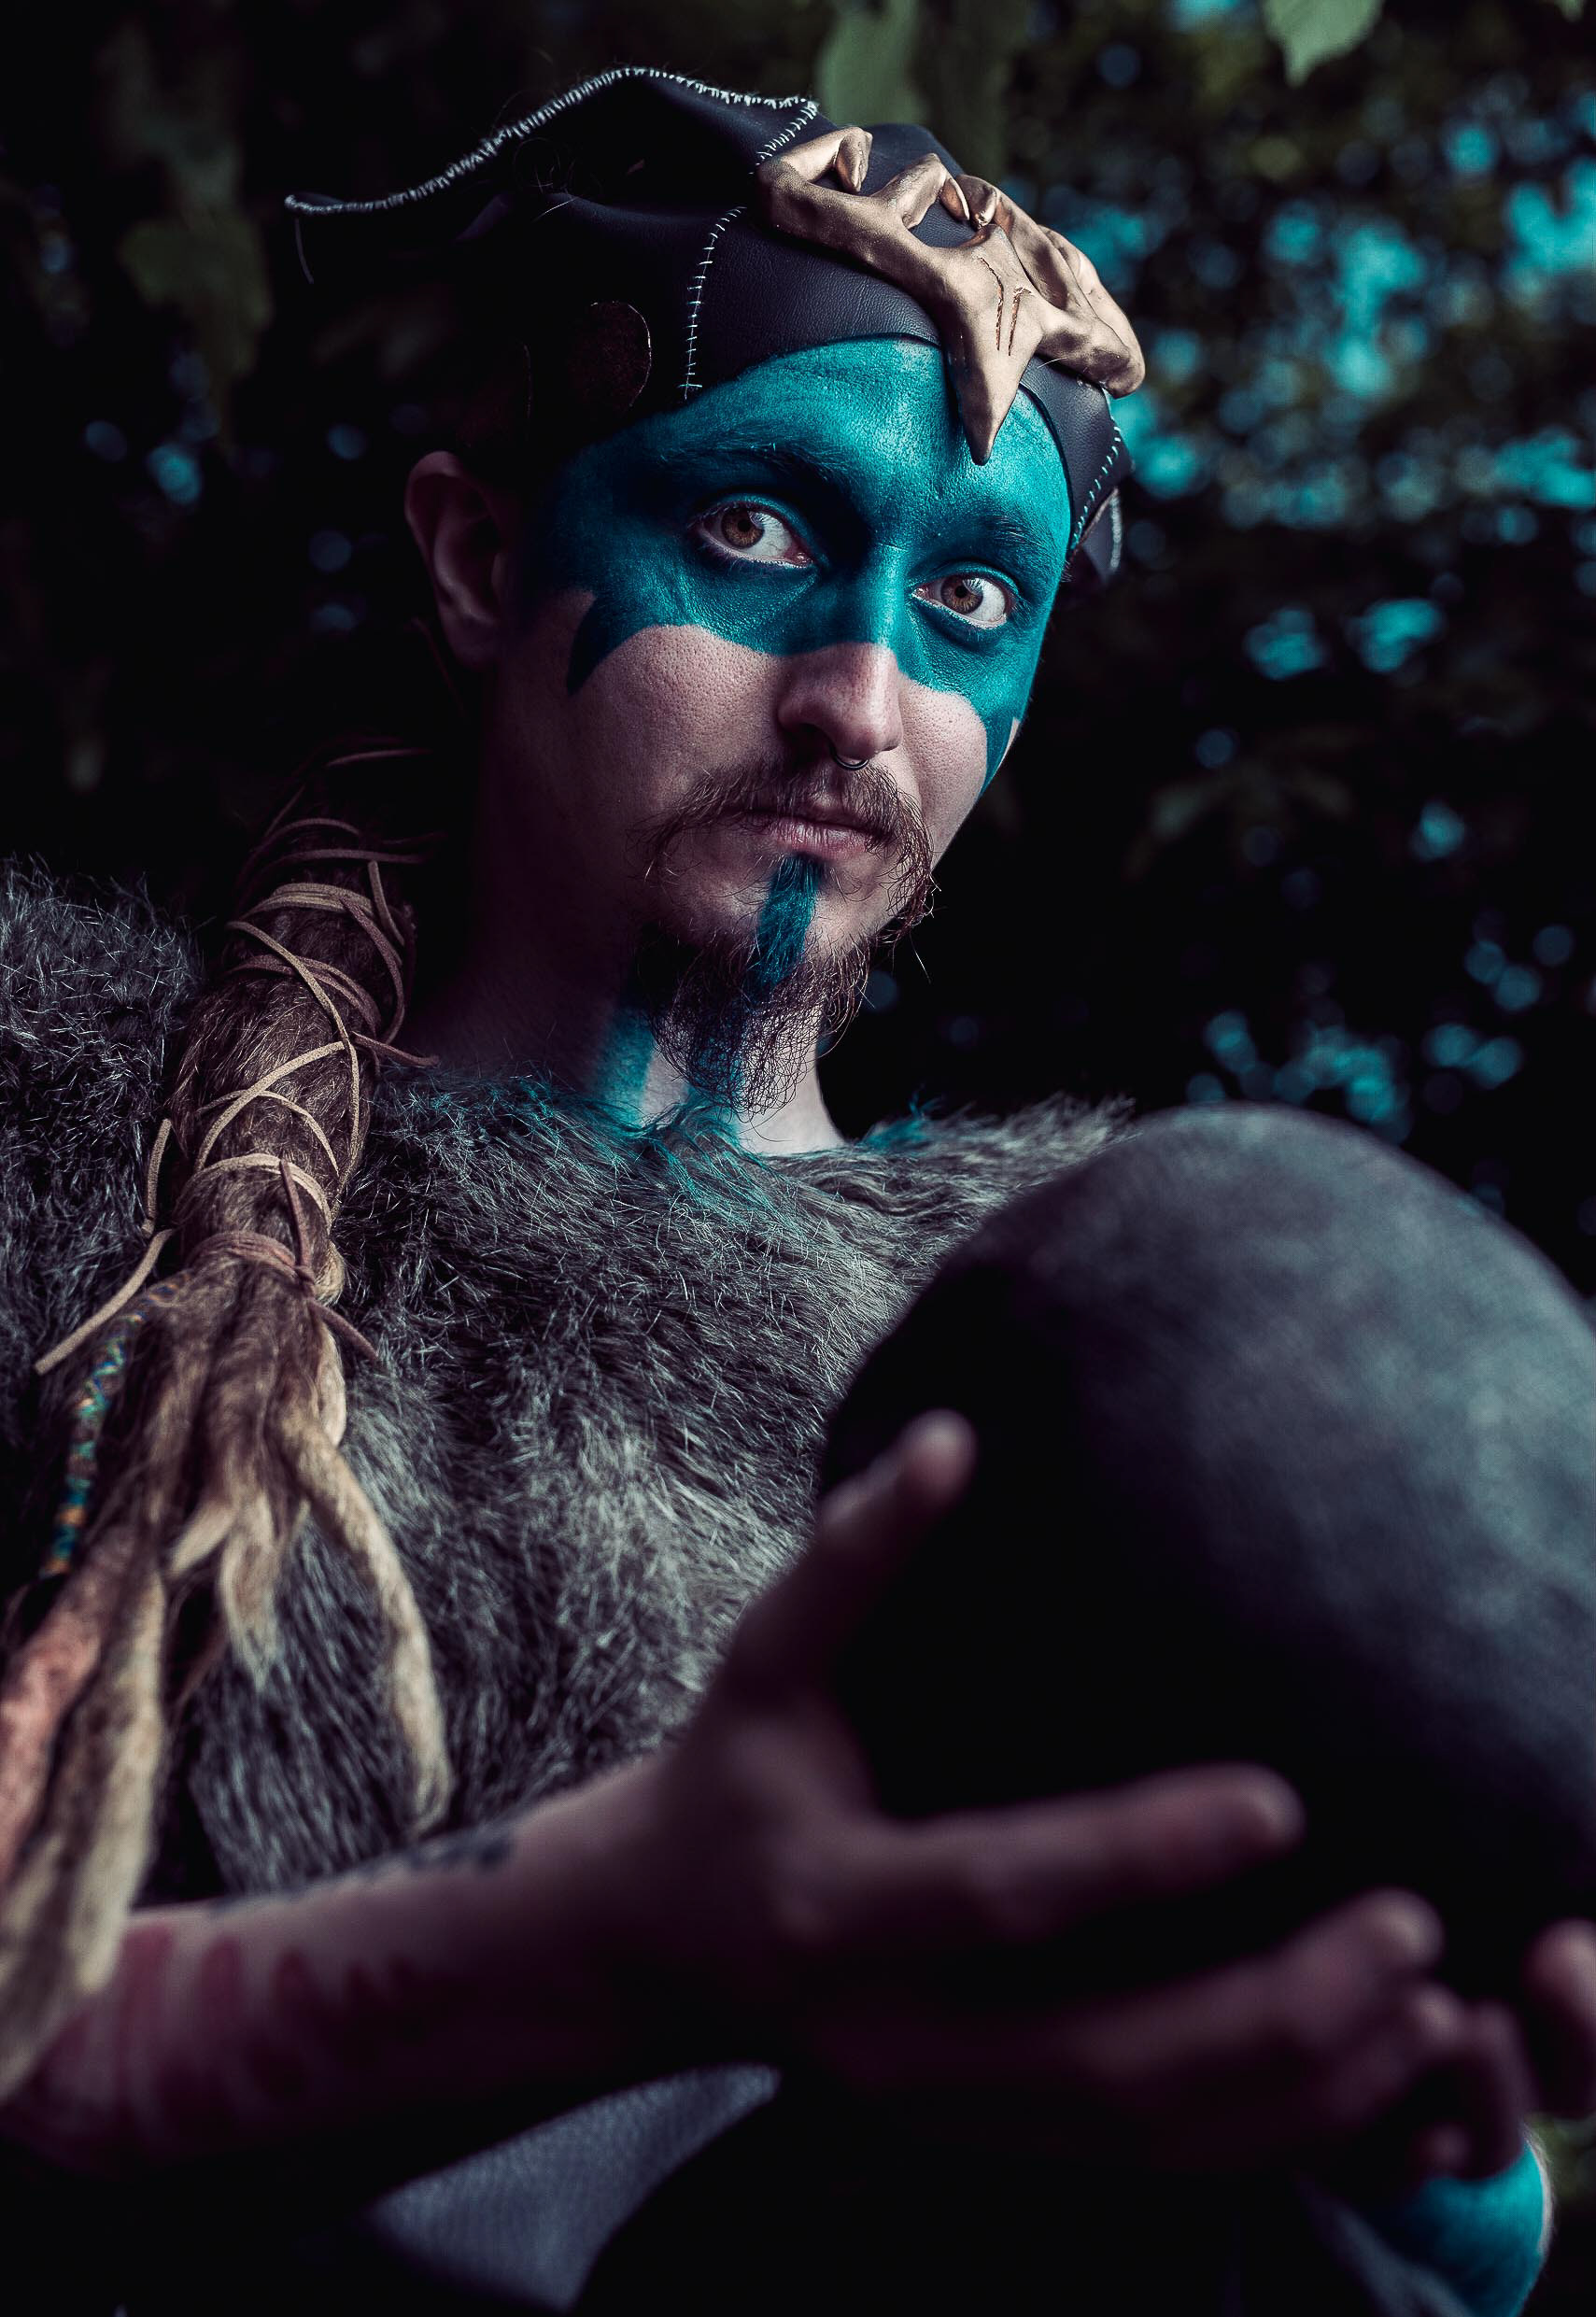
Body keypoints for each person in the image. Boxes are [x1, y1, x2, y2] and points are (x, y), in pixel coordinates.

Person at [0, 68, 1591, 2314]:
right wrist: (601, 1941)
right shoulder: (64, 1161)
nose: (862, 693)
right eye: (754, 531)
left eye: (970, 595)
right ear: (479, 557)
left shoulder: (1113, 1354)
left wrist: (1405, 2127)